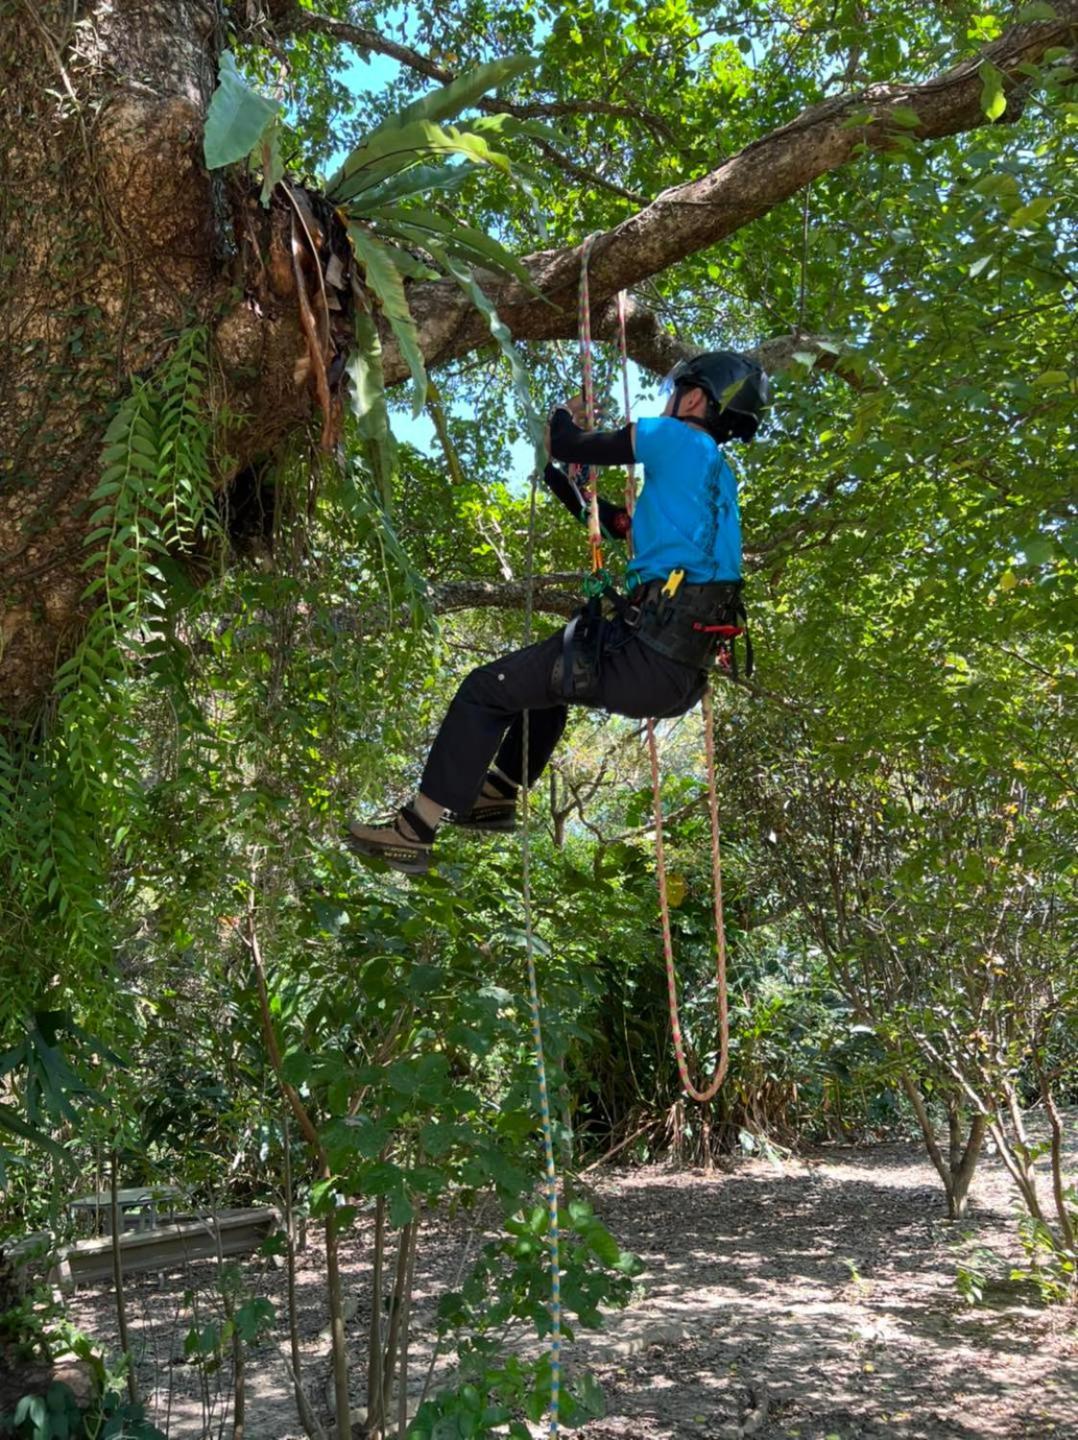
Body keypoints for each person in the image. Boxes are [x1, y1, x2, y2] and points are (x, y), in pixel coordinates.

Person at [346, 350, 769, 875]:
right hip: (678, 673)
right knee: (559, 663)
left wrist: (565, 416)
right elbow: (614, 521)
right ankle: (496, 792)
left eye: (676, 392)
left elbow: (570, 440)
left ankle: (416, 829)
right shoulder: (713, 483)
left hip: (646, 654)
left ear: (695, 397)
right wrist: (559, 475)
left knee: (484, 689)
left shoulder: (673, 437)